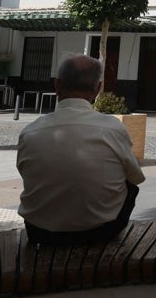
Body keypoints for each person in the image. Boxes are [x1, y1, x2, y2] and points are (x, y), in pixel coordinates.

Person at [16, 55, 145, 246]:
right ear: (98, 88)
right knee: (128, 185)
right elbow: (135, 177)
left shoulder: (30, 131)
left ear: (57, 85)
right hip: (100, 231)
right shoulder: (112, 128)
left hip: (40, 232)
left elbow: (25, 172)